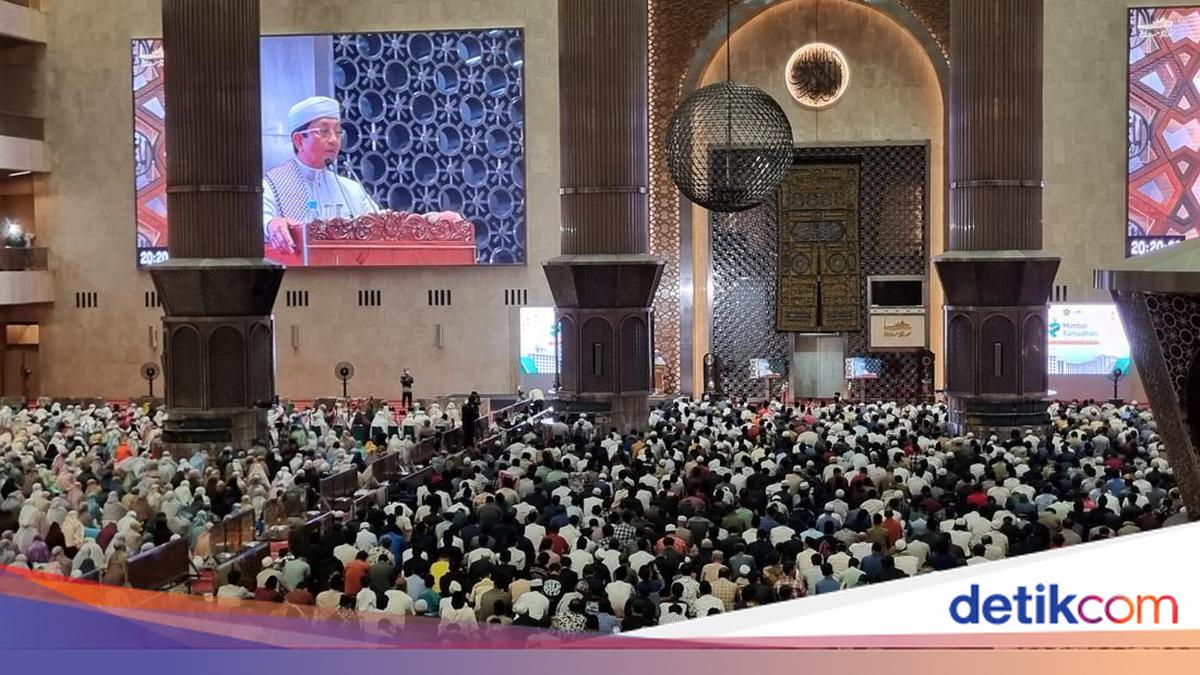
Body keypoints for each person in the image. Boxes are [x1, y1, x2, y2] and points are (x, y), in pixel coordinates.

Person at [262, 96, 381, 262]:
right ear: (299, 140)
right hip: (296, 282)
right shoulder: (272, 186)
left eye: (338, 132)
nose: (333, 140)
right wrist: (272, 224)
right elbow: (258, 222)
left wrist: (425, 221)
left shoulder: (350, 189)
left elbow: (381, 223)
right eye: (324, 131)